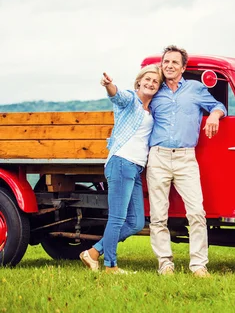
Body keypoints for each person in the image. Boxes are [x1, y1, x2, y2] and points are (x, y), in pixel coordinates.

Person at [147, 45, 226, 277]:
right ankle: (165, 263)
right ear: (162, 65)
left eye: (174, 62)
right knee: (158, 215)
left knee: (196, 213)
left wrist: (213, 115)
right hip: (158, 156)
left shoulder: (195, 89)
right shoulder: (154, 91)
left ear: (183, 68)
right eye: (166, 62)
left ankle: (199, 265)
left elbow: (218, 106)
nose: (169, 66)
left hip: (185, 158)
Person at [79, 64, 163, 273]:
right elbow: (117, 96)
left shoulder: (150, 109)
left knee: (136, 223)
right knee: (117, 218)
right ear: (139, 81)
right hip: (122, 162)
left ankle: (93, 253)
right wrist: (109, 85)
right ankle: (111, 266)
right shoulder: (131, 100)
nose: (151, 83)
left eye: (155, 81)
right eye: (148, 79)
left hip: (135, 168)